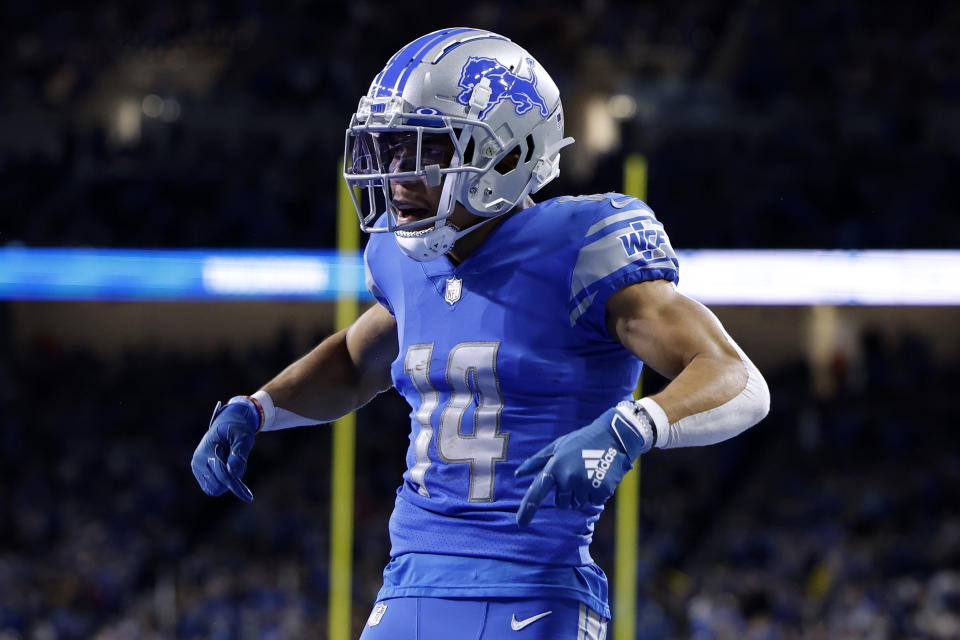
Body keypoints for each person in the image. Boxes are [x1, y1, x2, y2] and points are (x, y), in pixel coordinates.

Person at [191, 27, 770, 639]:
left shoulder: (580, 249)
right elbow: (355, 362)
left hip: (533, 588)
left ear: (510, 156)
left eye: (427, 150)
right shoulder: (404, 260)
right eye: (389, 150)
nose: (398, 175)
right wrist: (257, 409)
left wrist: (634, 427)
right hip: (410, 582)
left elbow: (737, 378)